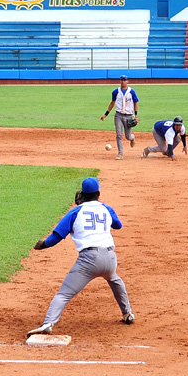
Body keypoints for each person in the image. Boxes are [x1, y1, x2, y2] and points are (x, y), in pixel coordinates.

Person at [27, 177, 135, 336]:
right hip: (110, 259)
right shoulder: (106, 209)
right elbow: (118, 225)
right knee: (115, 280)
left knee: (64, 294)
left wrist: (42, 245)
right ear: (98, 193)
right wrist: (103, 206)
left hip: (89, 261)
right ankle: (128, 313)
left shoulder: (75, 212)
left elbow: (55, 238)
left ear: (82, 195)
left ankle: (48, 323)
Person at [100, 75, 139, 160]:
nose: (123, 82)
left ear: (128, 81)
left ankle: (132, 138)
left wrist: (136, 116)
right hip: (118, 115)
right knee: (118, 135)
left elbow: (136, 103)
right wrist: (106, 114)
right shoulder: (115, 92)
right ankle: (120, 153)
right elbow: (112, 103)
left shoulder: (131, 92)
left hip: (129, 115)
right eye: (121, 80)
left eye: (125, 80)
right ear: (120, 81)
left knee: (128, 136)